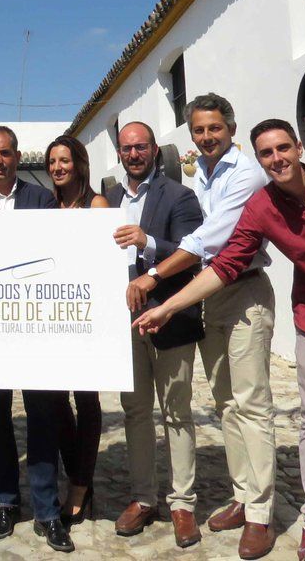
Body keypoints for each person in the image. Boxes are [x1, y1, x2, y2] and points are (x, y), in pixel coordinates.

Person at [136, 119, 305, 561]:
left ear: (298, 148)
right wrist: (168, 307)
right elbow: (225, 264)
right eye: (266, 153)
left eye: (283, 148)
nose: (276, 159)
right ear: (258, 158)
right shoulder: (261, 207)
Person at [121, 93, 278, 558]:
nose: (207, 137)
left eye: (214, 129)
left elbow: (209, 238)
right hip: (210, 293)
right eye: (199, 131)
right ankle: (243, 494)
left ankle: (261, 514)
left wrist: (152, 272)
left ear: (230, 128)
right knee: (227, 401)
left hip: (243, 288)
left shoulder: (246, 173)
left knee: (252, 402)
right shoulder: (203, 174)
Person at [0, 125, 73, 553]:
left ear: (18, 156)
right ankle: (4, 502)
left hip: (34, 328)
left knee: (43, 418)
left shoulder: (42, 199)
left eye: (6, 153)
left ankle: (47, 510)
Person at [101, 123, 205, 548]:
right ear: (120, 154)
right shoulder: (106, 200)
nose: (134, 154)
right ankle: (143, 498)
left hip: (170, 316)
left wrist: (148, 243)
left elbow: (191, 252)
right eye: (127, 148)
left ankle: (182, 503)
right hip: (123, 319)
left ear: (155, 150)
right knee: (136, 411)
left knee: (177, 412)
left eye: (141, 146)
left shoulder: (180, 196)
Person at [44, 135, 108, 527]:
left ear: (79, 163)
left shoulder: (96, 204)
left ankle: (80, 486)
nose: (57, 167)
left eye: (64, 160)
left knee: (86, 400)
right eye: (52, 161)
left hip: (87, 312)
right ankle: (78, 475)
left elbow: (103, 259)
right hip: (54, 313)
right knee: (55, 401)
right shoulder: (48, 204)